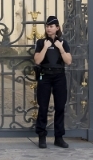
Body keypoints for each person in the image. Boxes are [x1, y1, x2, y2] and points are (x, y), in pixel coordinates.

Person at [33, 15, 72, 148]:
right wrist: (45, 47)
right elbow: (37, 60)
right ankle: (42, 136)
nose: (49, 29)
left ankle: (59, 137)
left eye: (51, 26)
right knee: (43, 107)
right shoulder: (41, 42)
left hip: (59, 77)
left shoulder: (63, 42)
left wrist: (60, 48)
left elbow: (68, 61)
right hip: (45, 76)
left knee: (60, 107)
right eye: (47, 26)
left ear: (57, 28)